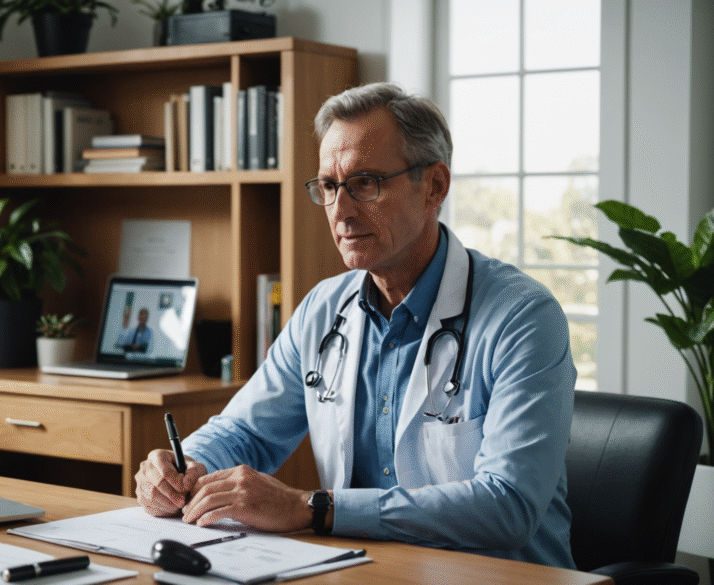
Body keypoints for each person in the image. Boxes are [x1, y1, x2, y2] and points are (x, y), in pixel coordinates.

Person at [135, 82, 577, 569]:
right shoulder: (323, 309)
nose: (341, 211)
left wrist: (314, 509)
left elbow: (507, 506)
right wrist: (183, 466)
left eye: (365, 183)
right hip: (362, 574)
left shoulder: (523, 318)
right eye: (328, 186)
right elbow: (246, 433)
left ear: (434, 186)